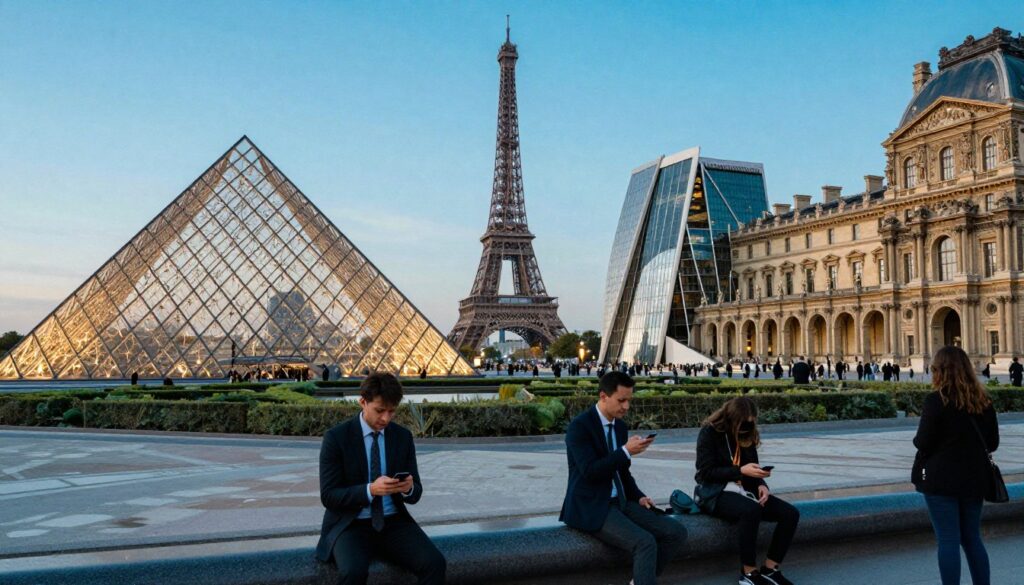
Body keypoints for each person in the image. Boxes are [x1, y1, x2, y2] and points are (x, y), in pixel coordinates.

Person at [315, 373, 445, 585]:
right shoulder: (336, 438)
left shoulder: (402, 437)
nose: (386, 418)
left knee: (435, 563)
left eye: (392, 411)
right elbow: (329, 496)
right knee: (352, 573)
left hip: (393, 522)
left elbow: (416, 493)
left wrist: (408, 488)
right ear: (362, 402)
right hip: (351, 524)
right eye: (379, 410)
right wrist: (370, 490)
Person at [560, 371, 687, 585]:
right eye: (621, 400)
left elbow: (622, 471)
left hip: (620, 501)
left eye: (629, 400)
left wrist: (639, 496)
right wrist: (625, 451)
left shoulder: (619, 426)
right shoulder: (580, 427)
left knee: (676, 532)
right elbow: (590, 471)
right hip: (592, 504)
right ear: (603, 396)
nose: (626, 406)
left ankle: (640, 580)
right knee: (645, 543)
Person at [912, 346, 999, 585]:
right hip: (974, 479)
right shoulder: (984, 401)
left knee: (948, 540)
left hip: (941, 481)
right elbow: (992, 443)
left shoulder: (935, 401)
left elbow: (923, 442)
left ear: (939, 371)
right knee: (972, 538)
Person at [695, 397, 799, 585]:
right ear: (732, 418)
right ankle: (749, 573)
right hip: (716, 492)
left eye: (751, 423)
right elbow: (705, 472)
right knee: (751, 510)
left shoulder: (747, 433)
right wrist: (739, 471)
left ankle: (770, 568)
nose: (747, 427)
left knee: (790, 513)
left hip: (745, 489)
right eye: (744, 423)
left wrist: (761, 484)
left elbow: (753, 467)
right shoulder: (709, 432)